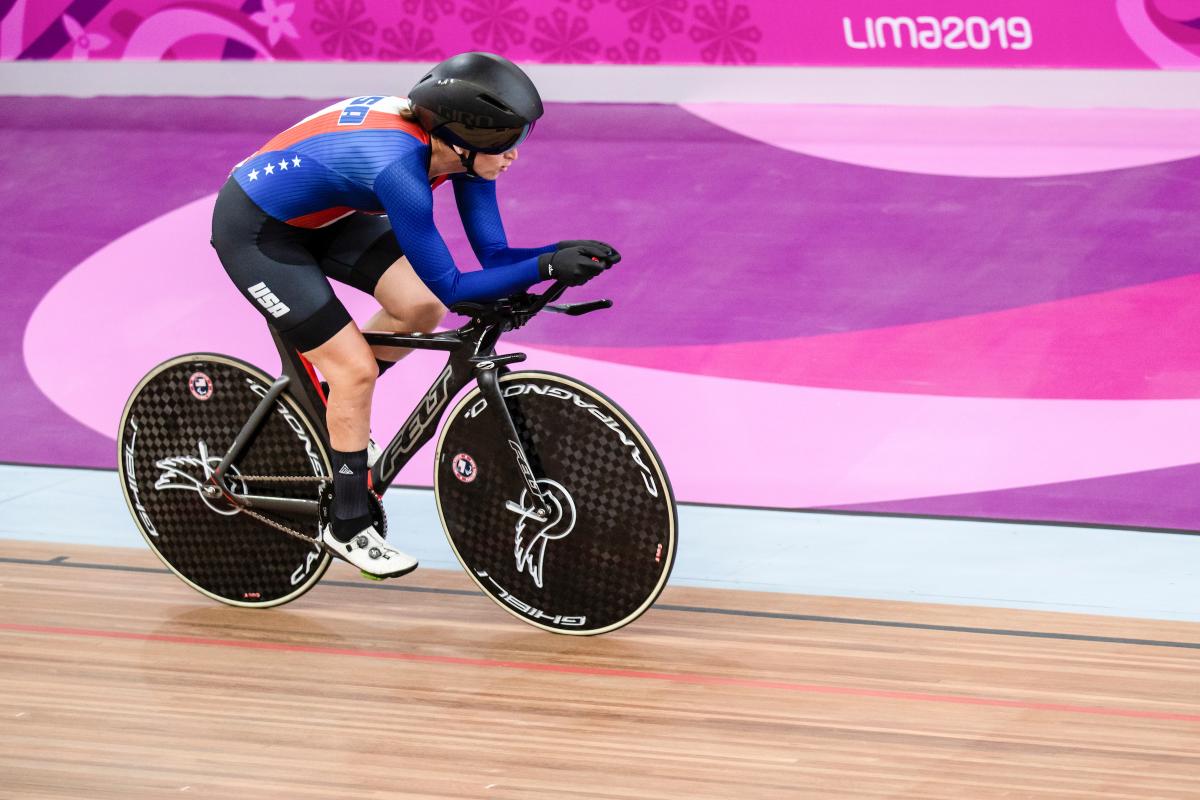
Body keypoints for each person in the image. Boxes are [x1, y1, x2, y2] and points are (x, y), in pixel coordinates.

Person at [210, 52, 620, 578]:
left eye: (518, 137)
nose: (514, 154)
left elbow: (492, 256)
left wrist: (558, 253)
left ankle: (335, 413)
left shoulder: (463, 153)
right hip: (258, 232)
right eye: (503, 141)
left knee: (417, 307)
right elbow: (454, 286)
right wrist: (542, 265)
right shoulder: (399, 170)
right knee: (354, 368)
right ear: (458, 139)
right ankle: (347, 522)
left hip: (326, 215)